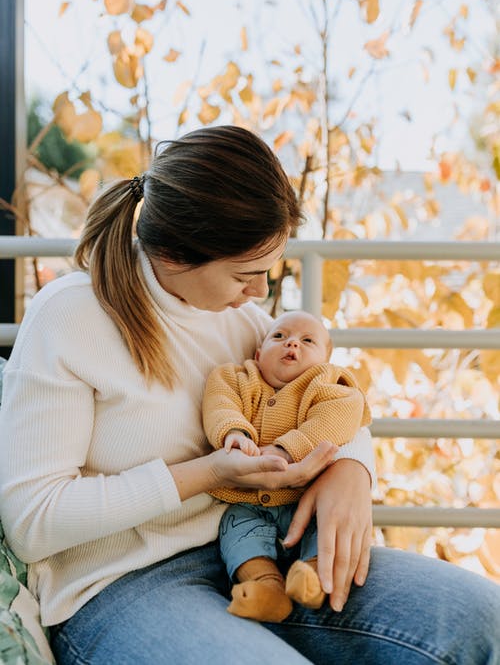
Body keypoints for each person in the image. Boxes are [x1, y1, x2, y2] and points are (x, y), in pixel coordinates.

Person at [0, 125, 498, 665]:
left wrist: (351, 470)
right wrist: (208, 473)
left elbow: (333, 398)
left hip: (260, 548)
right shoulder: (72, 316)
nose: (260, 293)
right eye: (246, 274)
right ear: (174, 254)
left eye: (268, 272)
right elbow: (32, 522)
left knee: (480, 619)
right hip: (120, 586)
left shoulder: (240, 320)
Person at [203, 310, 371, 623]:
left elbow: (338, 418)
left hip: (305, 499)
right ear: (258, 353)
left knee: (325, 531)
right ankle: (267, 588)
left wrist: (286, 449)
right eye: (279, 337)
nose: (291, 343)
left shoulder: (328, 384)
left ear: (325, 361)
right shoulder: (237, 377)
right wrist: (234, 433)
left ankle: (312, 577)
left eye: (308, 341)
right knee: (236, 534)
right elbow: (219, 404)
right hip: (247, 503)